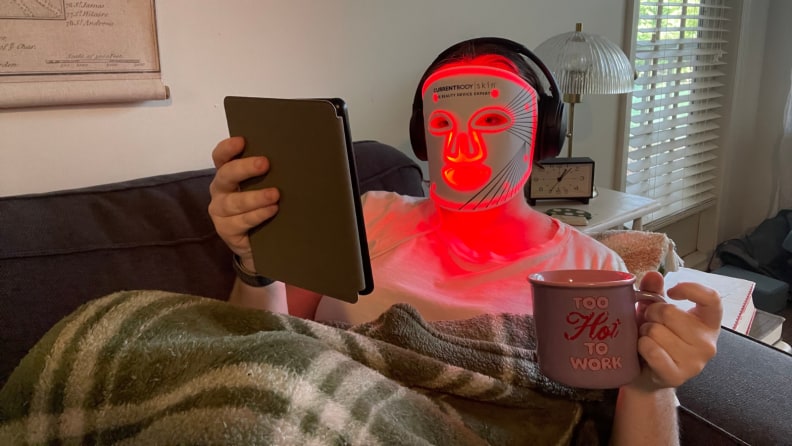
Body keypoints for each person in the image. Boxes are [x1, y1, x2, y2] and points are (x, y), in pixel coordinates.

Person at [208, 37, 722, 445]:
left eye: (493, 120)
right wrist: (257, 264)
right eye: (443, 124)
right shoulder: (366, 218)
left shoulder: (592, 268)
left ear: (541, 135)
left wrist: (650, 384)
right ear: (422, 134)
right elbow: (264, 348)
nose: (463, 144)